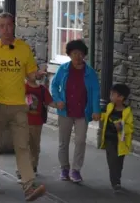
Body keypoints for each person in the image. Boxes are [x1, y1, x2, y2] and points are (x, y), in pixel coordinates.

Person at [0, 12, 46, 200]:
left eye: (9, 25)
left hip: (19, 105)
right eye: (1, 26)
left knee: (22, 146)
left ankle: (28, 185)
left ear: (14, 26)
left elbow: (30, 74)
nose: (6, 29)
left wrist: (37, 75)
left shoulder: (23, 49)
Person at [51, 39, 101, 183]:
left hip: (82, 111)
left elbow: (95, 92)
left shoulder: (90, 72)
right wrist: (58, 100)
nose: (77, 56)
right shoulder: (63, 69)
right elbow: (54, 86)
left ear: (84, 54)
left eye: (80, 53)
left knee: (80, 141)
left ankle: (76, 170)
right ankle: (64, 168)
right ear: (69, 54)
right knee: (63, 141)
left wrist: (96, 110)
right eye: (74, 53)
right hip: (65, 111)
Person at [16, 76, 57, 181]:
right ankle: (22, 170)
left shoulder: (42, 89)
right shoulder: (21, 87)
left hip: (37, 123)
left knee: (34, 146)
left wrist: (58, 105)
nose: (32, 75)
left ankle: (33, 166)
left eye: (35, 72)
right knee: (23, 146)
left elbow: (50, 102)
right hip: (22, 122)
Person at [100, 83, 133, 191]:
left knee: (119, 162)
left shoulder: (127, 111)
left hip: (121, 142)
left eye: (113, 94)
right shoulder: (109, 106)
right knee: (112, 161)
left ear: (121, 97)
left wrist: (122, 127)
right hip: (110, 139)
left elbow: (130, 127)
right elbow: (104, 116)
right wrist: (99, 116)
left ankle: (117, 178)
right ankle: (115, 182)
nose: (111, 96)